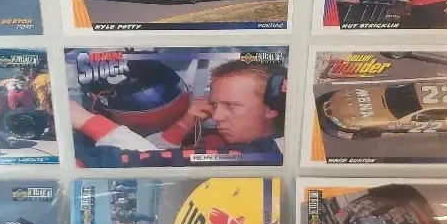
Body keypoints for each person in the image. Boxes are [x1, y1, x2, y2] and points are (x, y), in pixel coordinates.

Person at [70, 60, 286, 165]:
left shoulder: (269, 157)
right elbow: (158, 151)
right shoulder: (221, 139)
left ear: (271, 108)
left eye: (232, 106)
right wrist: (184, 123)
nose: (216, 117)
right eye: (215, 105)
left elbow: (157, 163)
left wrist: (89, 122)